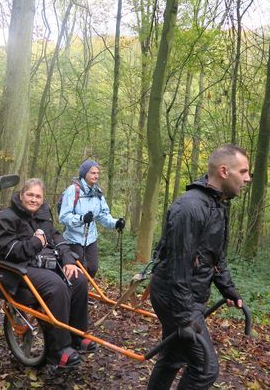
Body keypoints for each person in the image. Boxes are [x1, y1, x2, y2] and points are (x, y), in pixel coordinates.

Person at [147, 144, 251, 390]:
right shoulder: (190, 208)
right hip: (174, 297)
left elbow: (215, 258)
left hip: (187, 294)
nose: (248, 178)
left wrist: (229, 290)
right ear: (224, 171)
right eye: (244, 171)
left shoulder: (218, 204)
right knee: (205, 369)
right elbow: (177, 269)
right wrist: (184, 318)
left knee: (173, 358)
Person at [0, 178, 96, 368]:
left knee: (78, 279)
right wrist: (36, 243)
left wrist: (68, 260)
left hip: (45, 262)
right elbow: (7, 251)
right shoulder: (8, 217)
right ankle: (59, 350)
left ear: (43, 199)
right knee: (56, 286)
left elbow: (56, 237)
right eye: (30, 195)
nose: (34, 199)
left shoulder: (43, 214)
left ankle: (77, 336)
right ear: (21, 195)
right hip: (20, 267)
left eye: (38, 196)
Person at [58, 160, 124, 278]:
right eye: (93, 173)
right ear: (84, 174)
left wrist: (116, 223)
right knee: (80, 271)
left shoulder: (97, 192)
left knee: (92, 268)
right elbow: (63, 217)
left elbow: (103, 215)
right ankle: (73, 292)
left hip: (90, 238)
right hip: (74, 238)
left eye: (97, 173)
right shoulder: (73, 190)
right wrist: (82, 218)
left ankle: (83, 291)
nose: (96, 175)